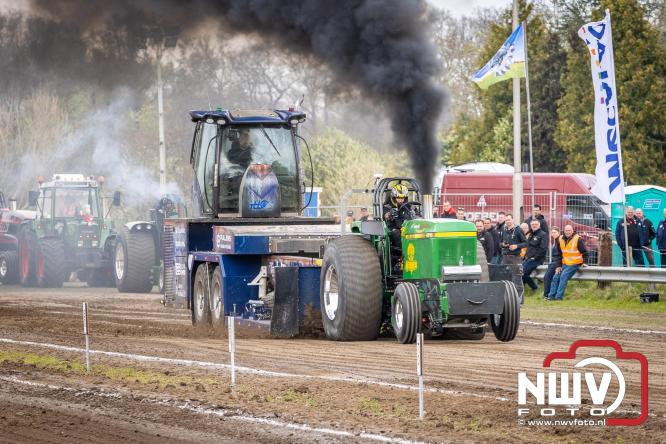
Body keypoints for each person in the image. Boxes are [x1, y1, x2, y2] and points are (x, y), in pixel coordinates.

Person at [547, 224, 588, 300]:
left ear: (572, 231)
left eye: (569, 230)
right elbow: (559, 254)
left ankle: (558, 297)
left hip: (575, 263)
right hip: (564, 263)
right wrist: (558, 266)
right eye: (566, 230)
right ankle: (551, 296)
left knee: (563, 277)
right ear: (564, 231)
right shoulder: (561, 239)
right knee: (556, 277)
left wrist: (584, 262)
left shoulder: (578, 239)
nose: (568, 232)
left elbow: (585, 252)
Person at [383, 184, 417, 270]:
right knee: (396, 233)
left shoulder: (410, 207)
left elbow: (418, 216)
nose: (400, 200)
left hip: (409, 229)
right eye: (398, 198)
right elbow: (385, 215)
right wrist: (390, 214)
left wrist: (415, 214)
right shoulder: (387, 207)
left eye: (402, 198)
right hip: (394, 230)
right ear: (393, 198)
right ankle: (402, 258)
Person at [522, 219, 548, 292]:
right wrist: (525, 257)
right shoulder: (531, 234)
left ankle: (535, 287)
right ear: (531, 225)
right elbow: (529, 248)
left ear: (539, 225)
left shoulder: (543, 234)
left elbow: (543, 249)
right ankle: (521, 291)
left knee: (522, 272)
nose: (534, 226)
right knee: (520, 272)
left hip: (537, 259)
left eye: (536, 224)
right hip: (528, 259)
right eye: (533, 224)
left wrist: (535, 257)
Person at [542, 227, 561, 299]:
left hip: (557, 262)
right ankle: (549, 294)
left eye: (555, 232)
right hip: (554, 262)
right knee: (549, 277)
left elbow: (561, 254)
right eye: (552, 232)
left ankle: (546, 295)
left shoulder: (560, 241)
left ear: (559, 233)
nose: (553, 234)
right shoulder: (555, 241)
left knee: (547, 277)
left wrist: (559, 265)